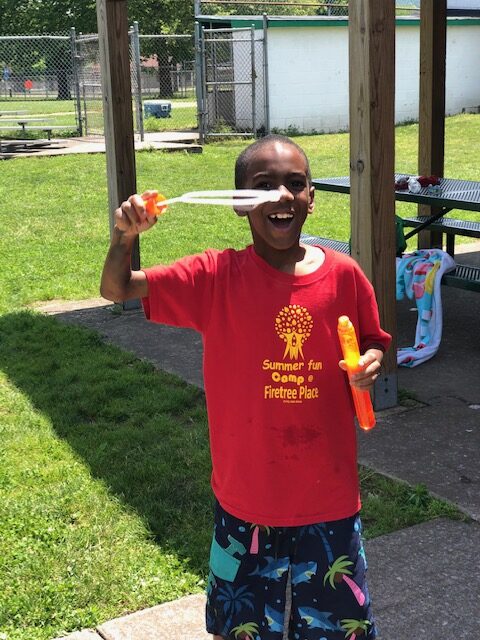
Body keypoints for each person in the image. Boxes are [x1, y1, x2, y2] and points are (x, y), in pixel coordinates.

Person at [100, 134, 391, 640]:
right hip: (243, 505)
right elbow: (117, 288)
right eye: (265, 185)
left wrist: (371, 362)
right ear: (240, 204)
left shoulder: (344, 275)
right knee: (241, 630)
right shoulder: (214, 276)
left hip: (330, 502)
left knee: (336, 631)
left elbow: (371, 342)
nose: (282, 195)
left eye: (295, 184)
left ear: (311, 198)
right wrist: (125, 237)